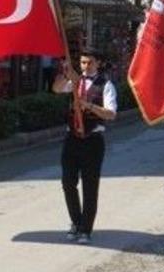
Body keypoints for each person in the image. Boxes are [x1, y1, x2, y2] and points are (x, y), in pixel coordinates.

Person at [52, 49, 117, 245]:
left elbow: (111, 114)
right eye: (82, 62)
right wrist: (65, 74)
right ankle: (76, 221)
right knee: (67, 182)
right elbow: (56, 89)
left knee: (90, 186)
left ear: (98, 63)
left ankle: (86, 229)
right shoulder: (75, 81)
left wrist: (88, 106)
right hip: (72, 138)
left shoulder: (106, 85)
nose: (85, 66)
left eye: (89, 63)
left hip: (93, 140)